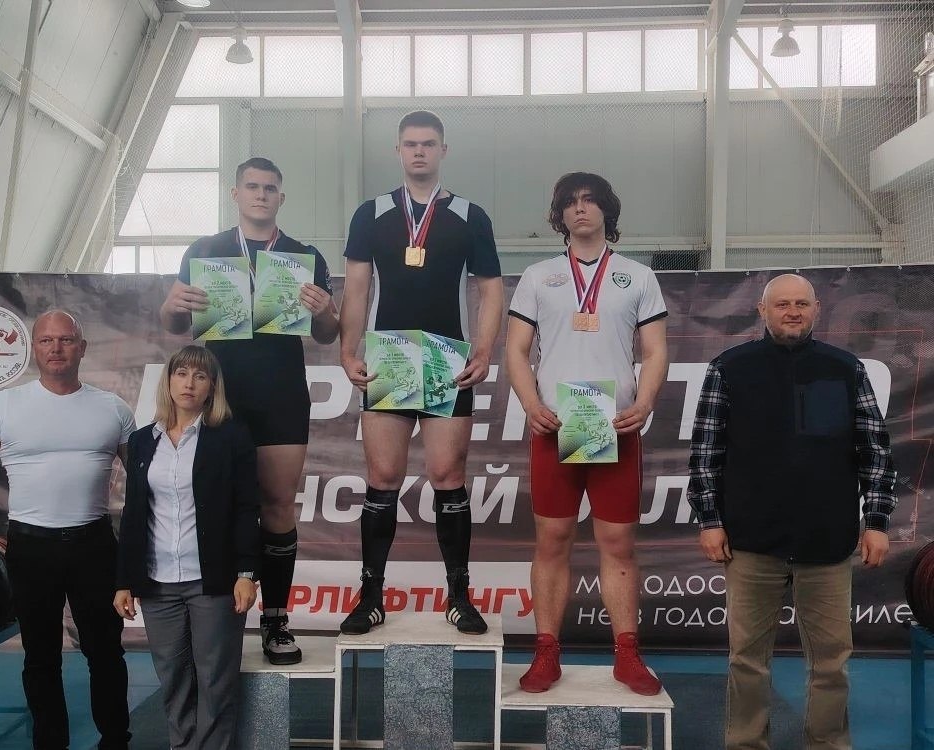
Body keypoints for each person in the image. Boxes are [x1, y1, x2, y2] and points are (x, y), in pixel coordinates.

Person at [687, 273, 897, 750]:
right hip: (750, 541)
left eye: (801, 303)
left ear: (817, 309)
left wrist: (877, 521)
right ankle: (745, 743)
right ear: (762, 310)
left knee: (830, 664)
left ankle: (827, 744)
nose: (792, 311)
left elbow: (875, 451)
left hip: (828, 541)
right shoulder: (729, 368)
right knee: (746, 660)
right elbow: (705, 452)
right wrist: (709, 520)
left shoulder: (845, 369)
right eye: (782, 304)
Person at [160, 157, 338, 665]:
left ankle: (276, 620)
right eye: (253, 187)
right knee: (215, 505)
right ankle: (217, 619)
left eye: (270, 188)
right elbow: (174, 325)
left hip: (280, 395)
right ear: (235, 194)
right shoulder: (205, 251)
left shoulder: (304, 256)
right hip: (218, 395)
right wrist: (173, 303)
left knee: (278, 506)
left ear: (282, 197)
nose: (261, 194)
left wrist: (326, 310)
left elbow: (328, 334)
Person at [0, 310, 134, 750]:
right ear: (33, 348)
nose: (56, 348)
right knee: (41, 657)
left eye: (66, 340)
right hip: (30, 548)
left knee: (105, 652)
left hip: (94, 546)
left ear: (82, 348)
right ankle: (50, 744)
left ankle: (116, 740)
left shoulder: (113, 408)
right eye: (46, 340)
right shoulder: (4, 406)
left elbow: (145, 480)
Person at [338, 110, 504, 635]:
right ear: (397, 150)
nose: (418, 152)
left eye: (428, 144)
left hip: (446, 357)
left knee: (448, 477)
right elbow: (357, 288)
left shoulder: (471, 215)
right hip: (389, 357)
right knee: (383, 477)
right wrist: (347, 351)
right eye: (410, 144)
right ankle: (370, 598)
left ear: (443, 150)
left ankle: (459, 597)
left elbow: (491, 290)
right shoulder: (371, 214)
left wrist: (483, 350)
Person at [506, 172, 668, 695]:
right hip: (555, 424)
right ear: (559, 214)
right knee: (552, 538)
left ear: (606, 210)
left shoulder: (638, 277)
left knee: (617, 541)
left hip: (613, 425)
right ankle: (546, 652)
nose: (581, 209)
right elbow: (516, 350)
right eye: (571, 202)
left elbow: (655, 351)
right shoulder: (539, 276)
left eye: (591, 200)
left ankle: (627, 653)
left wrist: (644, 402)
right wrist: (531, 404)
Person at [114, 345, 259, 750]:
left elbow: (247, 508)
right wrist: (124, 580)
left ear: (212, 386)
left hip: (213, 581)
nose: (189, 383)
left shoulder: (231, 436)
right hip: (157, 584)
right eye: (181, 374)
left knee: (215, 681)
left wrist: (247, 573)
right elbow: (133, 513)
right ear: (169, 381)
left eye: (199, 376)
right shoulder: (142, 441)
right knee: (173, 679)